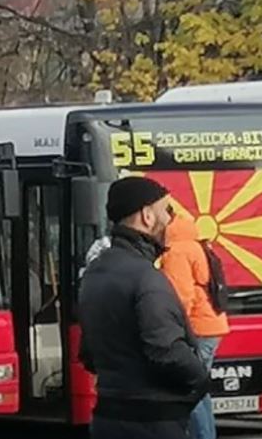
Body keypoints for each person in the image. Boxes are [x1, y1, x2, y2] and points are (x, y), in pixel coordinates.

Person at [78, 176, 209, 439]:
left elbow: (88, 353)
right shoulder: (146, 277)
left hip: (108, 417)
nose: (170, 219)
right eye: (166, 210)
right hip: (153, 422)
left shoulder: (95, 273)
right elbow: (166, 350)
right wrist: (200, 380)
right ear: (147, 216)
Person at [160, 215, 230, 439]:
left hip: (197, 327)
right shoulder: (194, 243)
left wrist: (173, 330)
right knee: (199, 389)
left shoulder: (176, 251)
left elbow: (181, 297)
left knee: (189, 388)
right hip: (211, 324)